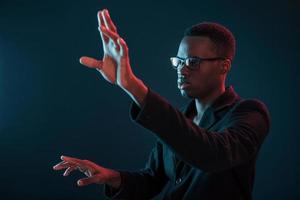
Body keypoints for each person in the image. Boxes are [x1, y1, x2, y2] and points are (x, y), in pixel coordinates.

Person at [53, 8, 271, 200]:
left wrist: (130, 84)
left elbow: (213, 154)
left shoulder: (249, 113)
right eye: (178, 61)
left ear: (224, 66)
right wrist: (111, 177)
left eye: (193, 62)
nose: (182, 70)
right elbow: (151, 181)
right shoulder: (180, 119)